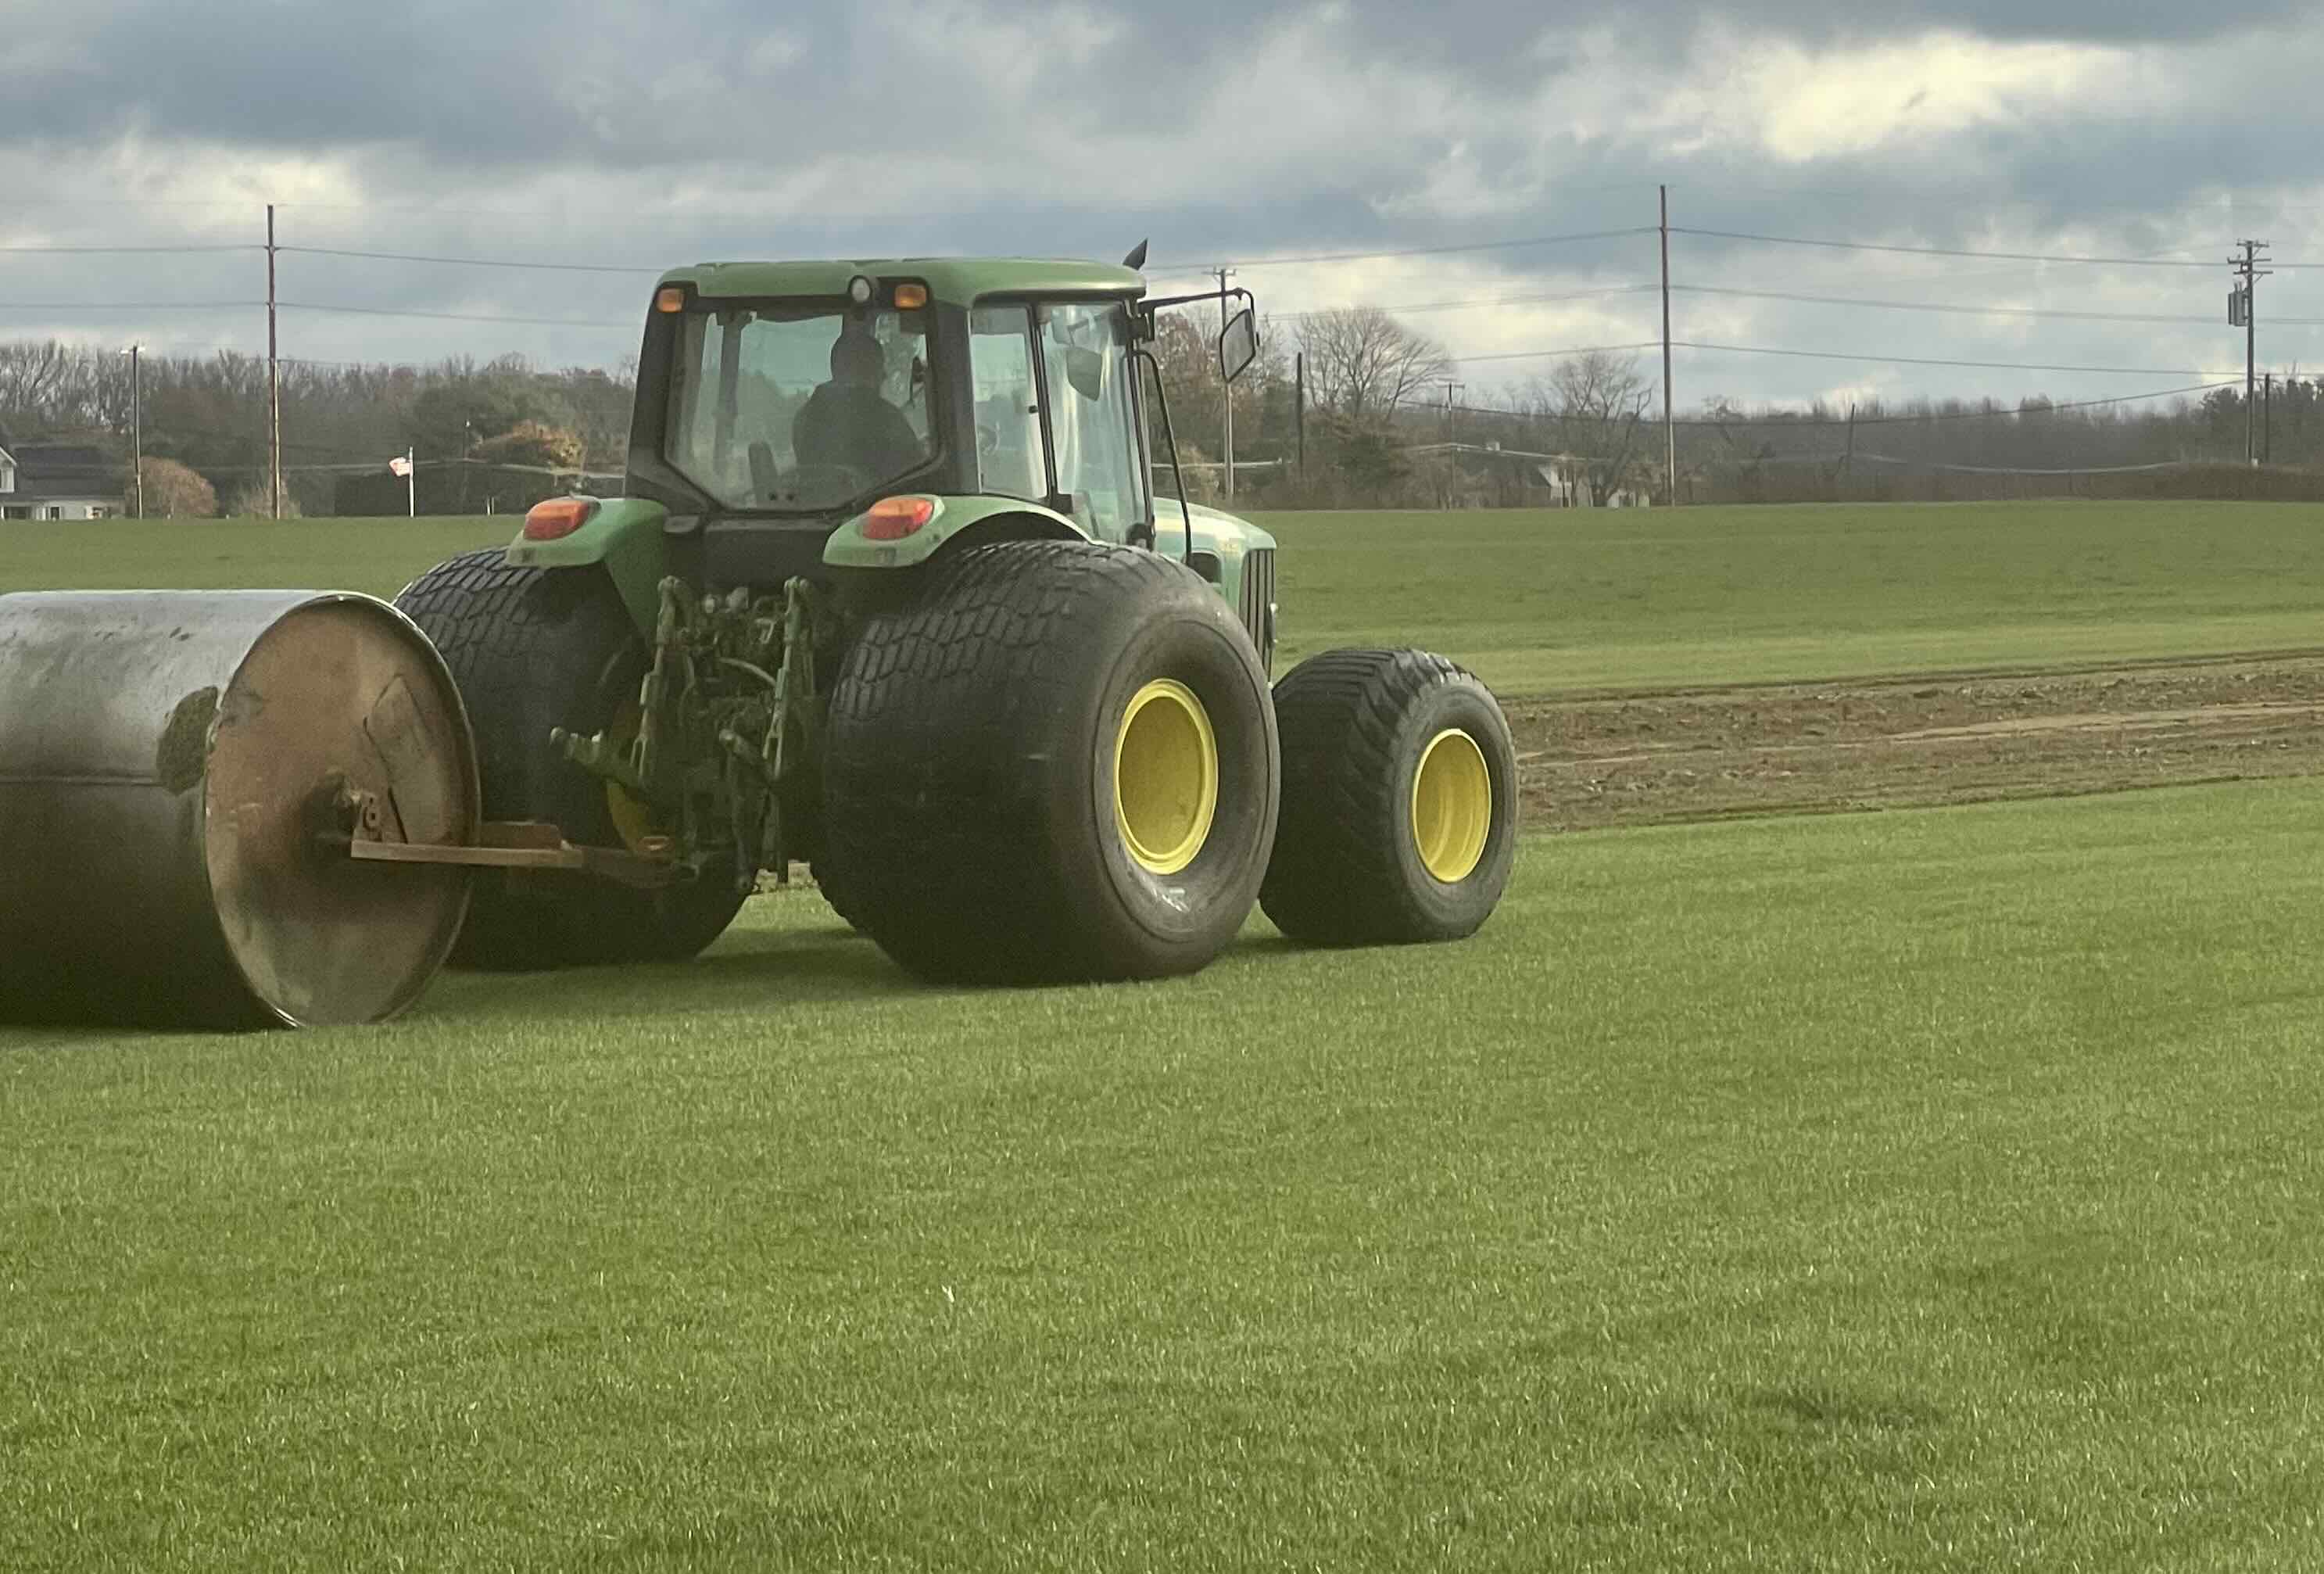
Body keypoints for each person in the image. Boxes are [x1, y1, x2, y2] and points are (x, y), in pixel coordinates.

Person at [792, 329, 926, 484]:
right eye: (878, 366)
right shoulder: (885, 419)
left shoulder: (804, 418)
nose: (884, 375)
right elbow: (919, 476)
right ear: (863, 368)